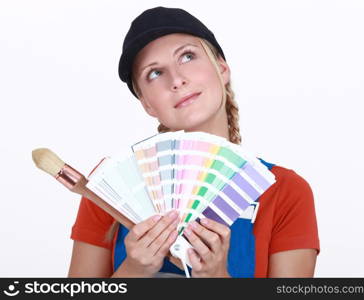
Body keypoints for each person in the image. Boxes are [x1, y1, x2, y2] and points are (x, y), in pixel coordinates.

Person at [68, 6, 320, 278]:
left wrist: (217, 279)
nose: (176, 80)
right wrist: (134, 271)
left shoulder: (286, 192)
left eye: (187, 56)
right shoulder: (111, 189)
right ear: (147, 104)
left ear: (222, 69)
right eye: (154, 73)